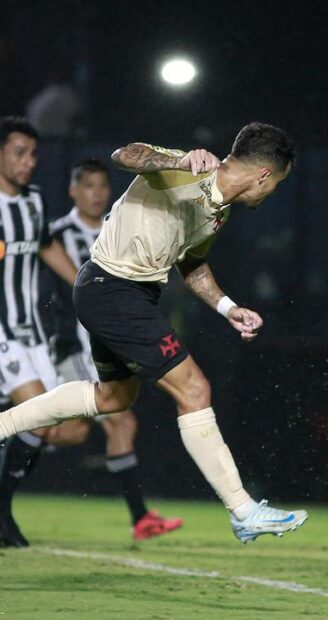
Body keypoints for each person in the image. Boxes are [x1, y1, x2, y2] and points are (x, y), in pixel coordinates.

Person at [0, 122, 308, 543]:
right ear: (264, 175)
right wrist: (179, 160)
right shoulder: (189, 168)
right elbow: (126, 154)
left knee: (114, 397)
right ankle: (243, 510)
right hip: (112, 289)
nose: (271, 193)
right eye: (277, 184)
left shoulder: (220, 211)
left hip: (125, 296)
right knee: (194, 389)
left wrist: (228, 307)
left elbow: (192, 265)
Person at [46, 159, 182, 540]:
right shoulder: (55, 235)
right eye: (88, 186)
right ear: (73, 190)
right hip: (71, 347)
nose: (97, 193)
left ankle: (140, 518)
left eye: (103, 186)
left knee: (82, 430)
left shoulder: (117, 226)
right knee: (105, 423)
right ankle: (139, 517)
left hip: (107, 345)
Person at [0, 116, 80, 546]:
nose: (29, 162)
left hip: (31, 332)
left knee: (57, 425)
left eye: (33, 154)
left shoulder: (33, 201)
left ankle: (2, 508)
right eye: (19, 152)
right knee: (35, 412)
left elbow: (48, 247)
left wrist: (87, 286)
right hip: (0, 333)